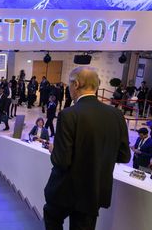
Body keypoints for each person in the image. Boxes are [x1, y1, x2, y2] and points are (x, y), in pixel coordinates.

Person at [44, 67, 131, 230]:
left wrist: (54, 150)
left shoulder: (69, 114)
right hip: (94, 191)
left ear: (76, 84)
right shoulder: (116, 115)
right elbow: (124, 156)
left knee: (52, 218)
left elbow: (62, 161)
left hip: (65, 191)